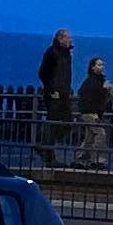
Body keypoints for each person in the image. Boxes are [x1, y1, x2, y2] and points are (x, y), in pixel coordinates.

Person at [35, 27, 75, 161]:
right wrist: (52, 90)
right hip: (54, 95)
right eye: (68, 37)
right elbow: (43, 73)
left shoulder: (67, 54)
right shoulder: (51, 52)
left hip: (64, 94)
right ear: (60, 39)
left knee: (67, 123)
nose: (70, 40)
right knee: (53, 123)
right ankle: (48, 153)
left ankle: (43, 145)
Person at [75, 53, 113, 169]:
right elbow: (93, 97)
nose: (101, 67)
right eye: (99, 65)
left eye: (102, 65)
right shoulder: (91, 81)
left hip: (93, 112)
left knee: (89, 137)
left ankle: (81, 159)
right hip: (89, 113)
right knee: (100, 134)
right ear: (92, 67)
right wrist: (104, 89)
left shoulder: (98, 80)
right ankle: (97, 160)